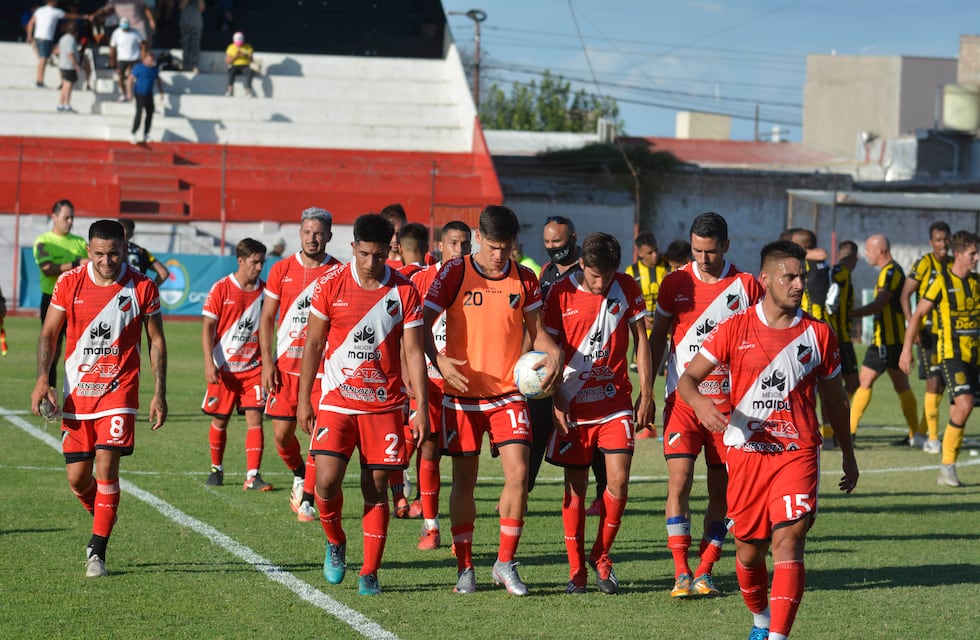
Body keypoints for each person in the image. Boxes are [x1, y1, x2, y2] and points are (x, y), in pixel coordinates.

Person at [677, 239, 858, 640]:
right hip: (746, 454)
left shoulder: (819, 335)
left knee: (789, 542)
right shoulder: (734, 328)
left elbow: (835, 401)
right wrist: (702, 405)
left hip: (797, 453)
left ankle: (778, 636)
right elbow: (688, 379)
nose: (798, 284)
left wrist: (848, 453)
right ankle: (760, 619)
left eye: (802, 277)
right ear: (766, 280)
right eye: (789, 276)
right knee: (748, 552)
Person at [423, 204, 562, 596]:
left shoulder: (525, 278)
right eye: (494, 246)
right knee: (464, 481)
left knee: (518, 474)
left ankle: (504, 563)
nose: (500, 255)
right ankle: (465, 567)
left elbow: (541, 334)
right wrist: (439, 360)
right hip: (462, 395)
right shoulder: (454, 272)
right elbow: (419, 327)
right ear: (479, 237)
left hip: (508, 393)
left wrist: (554, 358)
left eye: (508, 247)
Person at [296, 213, 429, 596]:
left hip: (385, 407)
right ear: (353, 248)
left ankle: (369, 571)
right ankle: (335, 541)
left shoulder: (404, 290)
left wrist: (419, 406)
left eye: (379, 255)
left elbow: (414, 352)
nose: (372, 263)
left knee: (376, 488)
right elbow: (315, 344)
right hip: (337, 402)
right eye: (364, 254)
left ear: (390, 249)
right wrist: (305, 399)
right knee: (325, 481)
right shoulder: (330, 285)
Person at [30, 219, 168, 578]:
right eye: (100, 254)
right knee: (78, 478)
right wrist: (42, 379)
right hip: (77, 394)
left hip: (119, 392)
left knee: (106, 468)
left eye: (115, 253)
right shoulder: (68, 283)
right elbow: (49, 333)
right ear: (88, 251)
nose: (107, 261)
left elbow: (155, 340)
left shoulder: (142, 286)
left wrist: (159, 393)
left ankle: (97, 551)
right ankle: (105, 512)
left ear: (125, 248)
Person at [647, 211, 764, 599]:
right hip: (683, 400)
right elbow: (657, 339)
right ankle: (680, 571)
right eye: (697, 250)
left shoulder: (747, 286)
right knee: (678, 480)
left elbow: (762, 339)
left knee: (723, 492)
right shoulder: (675, 282)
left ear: (726, 246)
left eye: (710, 251)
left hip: (730, 408)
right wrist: (646, 391)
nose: (702, 258)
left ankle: (705, 569)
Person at [544, 232, 653, 594]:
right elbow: (545, 350)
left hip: (615, 402)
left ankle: (601, 556)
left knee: (618, 481)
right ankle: (576, 570)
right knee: (575, 490)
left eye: (607, 276)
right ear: (581, 265)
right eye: (594, 276)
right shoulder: (560, 293)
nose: (601, 283)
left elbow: (642, 342)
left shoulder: (626, 287)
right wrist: (557, 398)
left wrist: (646, 393)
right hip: (572, 404)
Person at [260, 208, 340, 521]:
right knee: (282, 435)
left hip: (321, 372)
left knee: (317, 434)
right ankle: (299, 473)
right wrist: (267, 362)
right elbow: (267, 318)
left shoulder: (338, 272)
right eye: (307, 232)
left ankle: (307, 498)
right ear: (300, 233)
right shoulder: (281, 270)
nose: (312, 238)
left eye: (319, 233)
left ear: (329, 236)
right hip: (284, 369)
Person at [407, 220, 472, 548]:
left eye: (465, 243)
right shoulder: (419, 280)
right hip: (430, 380)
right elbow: (406, 329)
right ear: (440, 247)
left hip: (469, 383)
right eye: (454, 243)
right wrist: (407, 371)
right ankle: (431, 526)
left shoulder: (480, 280)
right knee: (429, 444)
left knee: (465, 459)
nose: (459, 250)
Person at [901, 230, 980, 487]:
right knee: (965, 403)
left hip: (975, 356)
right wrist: (905, 350)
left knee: (960, 409)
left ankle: (947, 468)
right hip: (950, 354)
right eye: (972, 254)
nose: (977, 258)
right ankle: (944, 461)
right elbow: (917, 315)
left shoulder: (977, 282)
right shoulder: (941, 282)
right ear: (959, 255)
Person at [528, 215, 596, 506]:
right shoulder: (546, 272)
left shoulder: (586, 271)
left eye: (558, 241)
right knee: (536, 425)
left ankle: (602, 493)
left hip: (581, 365)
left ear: (574, 238)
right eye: (547, 241)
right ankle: (522, 490)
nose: (552, 246)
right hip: (547, 363)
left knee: (589, 433)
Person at [201, 238, 271, 490]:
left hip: (253, 369)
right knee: (220, 420)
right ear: (240, 261)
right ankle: (216, 468)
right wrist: (209, 362)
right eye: (255, 262)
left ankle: (253, 475)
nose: (259, 267)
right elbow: (208, 326)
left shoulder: (266, 292)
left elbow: (269, 327)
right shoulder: (221, 288)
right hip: (224, 368)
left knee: (256, 419)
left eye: (262, 261)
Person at [849, 234, 919, 445]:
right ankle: (916, 435)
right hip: (889, 340)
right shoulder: (890, 271)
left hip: (886, 341)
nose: (866, 255)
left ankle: (849, 433)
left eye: (869, 250)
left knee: (864, 382)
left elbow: (879, 304)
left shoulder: (891, 272)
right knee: (901, 386)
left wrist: (851, 314)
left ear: (880, 250)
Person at [900, 221, 951, 454]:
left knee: (940, 385)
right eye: (938, 240)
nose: (943, 244)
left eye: (946, 239)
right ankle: (932, 439)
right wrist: (914, 325)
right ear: (931, 243)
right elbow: (905, 295)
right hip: (928, 332)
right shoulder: (924, 263)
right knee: (933, 381)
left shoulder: (952, 264)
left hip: (948, 334)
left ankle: (921, 434)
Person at [34, 199, 89, 389]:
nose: (70, 221)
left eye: (72, 217)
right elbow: (47, 269)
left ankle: (80, 396)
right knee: (52, 351)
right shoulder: (44, 242)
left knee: (81, 351)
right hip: (52, 301)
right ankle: (47, 394)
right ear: (54, 217)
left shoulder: (80, 242)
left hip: (78, 302)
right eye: (66, 217)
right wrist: (75, 263)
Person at [624, 230, 671, 439]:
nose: (654, 256)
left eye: (655, 251)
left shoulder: (667, 268)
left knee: (668, 376)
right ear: (639, 253)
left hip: (667, 334)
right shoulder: (631, 272)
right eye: (649, 253)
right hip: (644, 335)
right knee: (643, 377)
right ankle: (646, 419)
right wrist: (641, 319)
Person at [823, 240, 860, 446]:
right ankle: (836, 430)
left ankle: (834, 430)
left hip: (840, 336)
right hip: (841, 338)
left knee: (845, 385)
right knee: (849, 384)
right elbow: (831, 303)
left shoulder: (832, 271)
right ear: (855, 258)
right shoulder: (839, 274)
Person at [26, 0, 68, 88]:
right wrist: (85, 16)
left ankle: (42, 80)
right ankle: (39, 81)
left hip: (39, 38)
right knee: (43, 60)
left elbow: (30, 23)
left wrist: (29, 36)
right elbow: (70, 16)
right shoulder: (56, 11)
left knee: (46, 57)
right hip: (46, 39)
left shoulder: (39, 10)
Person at [119, 218, 169, 286]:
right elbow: (164, 273)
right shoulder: (142, 251)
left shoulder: (112, 249)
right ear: (132, 234)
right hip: (138, 292)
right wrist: (150, 290)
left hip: (119, 290)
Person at [127, 50, 163, 143]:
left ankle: (146, 133)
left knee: (150, 114)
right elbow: (130, 79)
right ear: (145, 59)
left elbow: (158, 80)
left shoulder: (154, 69)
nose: (152, 62)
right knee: (139, 113)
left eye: (152, 60)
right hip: (139, 93)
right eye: (150, 60)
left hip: (149, 94)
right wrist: (129, 92)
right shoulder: (139, 67)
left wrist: (161, 92)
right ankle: (133, 133)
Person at [109, 17, 144, 101]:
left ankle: (132, 93)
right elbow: (112, 47)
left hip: (134, 59)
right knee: (121, 77)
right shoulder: (116, 33)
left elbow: (142, 45)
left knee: (131, 76)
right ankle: (125, 94)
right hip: (122, 59)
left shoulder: (135, 33)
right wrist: (112, 59)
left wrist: (143, 57)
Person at [56, 21, 83, 113]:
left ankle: (61, 104)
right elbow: (70, 53)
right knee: (68, 86)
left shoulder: (63, 38)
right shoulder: (71, 40)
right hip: (68, 66)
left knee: (64, 85)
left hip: (62, 65)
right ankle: (66, 104)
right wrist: (76, 65)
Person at [225, 31, 254, 97]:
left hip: (245, 66)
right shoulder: (231, 47)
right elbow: (227, 61)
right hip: (234, 66)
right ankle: (230, 90)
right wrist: (235, 56)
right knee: (231, 71)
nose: (239, 45)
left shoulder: (248, 47)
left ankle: (248, 90)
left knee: (250, 71)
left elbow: (252, 60)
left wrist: (246, 55)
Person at [178, 0, 205, 73]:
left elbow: (202, 8)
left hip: (196, 22)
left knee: (195, 45)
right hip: (185, 22)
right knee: (185, 45)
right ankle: (185, 66)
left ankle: (195, 66)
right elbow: (181, 7)